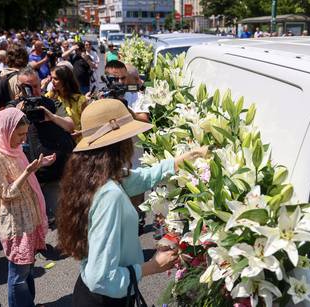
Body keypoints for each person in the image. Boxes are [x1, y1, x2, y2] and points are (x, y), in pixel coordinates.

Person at [56, 98, 207, 306]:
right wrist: (153, 266)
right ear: (119, 143)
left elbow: (141, 178)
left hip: (95, 294)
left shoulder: (92, 175)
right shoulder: (109, 195)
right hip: (105, 300)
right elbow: (101, 278)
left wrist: (178, 162)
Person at [0, 107, 54, 307]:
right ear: (6, 131)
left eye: (25, 134)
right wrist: (27, 172)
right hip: (16, 223)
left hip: (28, 216)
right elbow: (6, 193)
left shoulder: (12, 148)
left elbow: (21, 174)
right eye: (20, 134)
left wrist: (39, 166)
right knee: (19, 274)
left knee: (28, 268)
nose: (23, 140)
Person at [17, 67, 74, 225]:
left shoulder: (50, 102)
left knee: (59, 215)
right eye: (29, 87)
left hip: (53, 170)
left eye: (36, 86)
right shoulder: (15, 106)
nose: (34, 91)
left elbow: (70, 125)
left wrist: (51, 117)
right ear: (20, 88)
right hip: (26, 171)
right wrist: (19, 111)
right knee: (32, 218)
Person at [44, 65, 88, 132]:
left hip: (77, 140)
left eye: (56, 79)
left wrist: (80, 132)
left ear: (65, 81)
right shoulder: (49, 96)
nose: (52, 81)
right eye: (51, 78)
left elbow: (87, 122)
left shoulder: (79, 99)